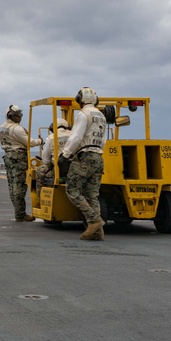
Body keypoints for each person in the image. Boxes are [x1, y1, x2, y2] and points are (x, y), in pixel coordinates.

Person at [59, 87, 107, 240]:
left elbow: (76, 137)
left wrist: (65, 154)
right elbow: (104, 141)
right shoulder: (101, 116)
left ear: (80, 99)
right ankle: (98, 233)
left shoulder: (83, 114)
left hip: (84, 156)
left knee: (72, 190)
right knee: (92, 194)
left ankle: (94, 221)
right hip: (98, 156)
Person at [0, 104, 43, 222]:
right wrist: (40, 141)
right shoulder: (16, 128)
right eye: (18, 115)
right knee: (19, 186)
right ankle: (20, 214)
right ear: (12, 116)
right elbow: (30, 142)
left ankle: (18, 212)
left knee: (12, 186)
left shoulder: (2, 127)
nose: (20, 117)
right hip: (19, 157)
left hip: (8, 156)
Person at [34, 118, 72, 196]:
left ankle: (40, 198)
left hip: (58, 170)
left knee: (39, 171)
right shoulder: (74, 135)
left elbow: (46, 160)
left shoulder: (51, 138)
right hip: (74, 168)